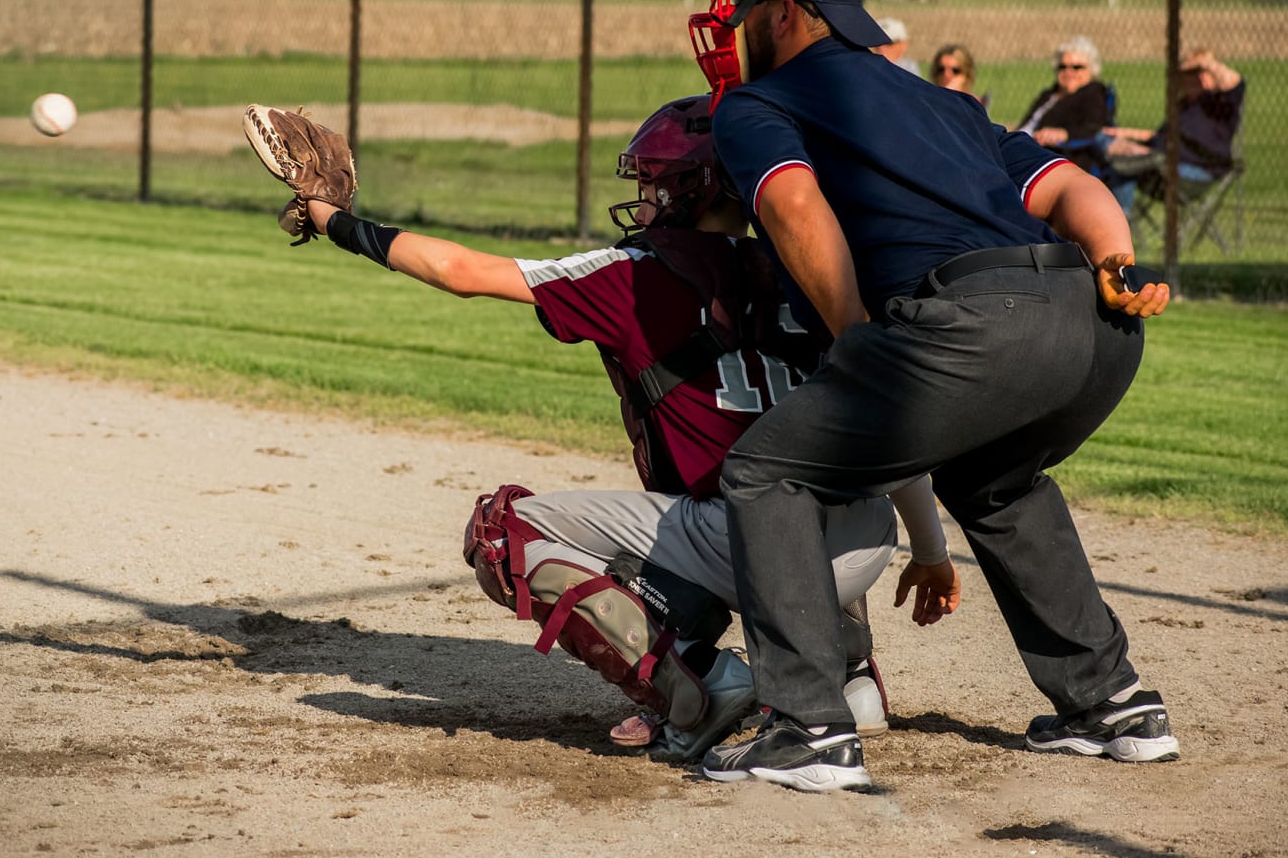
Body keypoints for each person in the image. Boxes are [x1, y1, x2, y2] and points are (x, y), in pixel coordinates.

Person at [244, 96, 957, 763]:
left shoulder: (634, 271)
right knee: (822, 445)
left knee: (504, 531)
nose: (644, 199)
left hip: (756, 547)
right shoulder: (813, 269)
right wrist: (931, 551)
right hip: (864, 547)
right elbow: (883, 419)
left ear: (695, 190)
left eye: (654, 183)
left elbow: (462, 270)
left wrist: (335, 220)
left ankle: (697, 688)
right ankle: (850, 678)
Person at [685, 0, 1173, 793]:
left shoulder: (759, 104)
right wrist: (1118, 262)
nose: (739, 22)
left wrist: (854, 335)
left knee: (765, 471)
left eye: (748, 2)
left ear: (787, 13)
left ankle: (808, 726)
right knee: (994, 477)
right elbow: (1070, 185)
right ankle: (1111, 702)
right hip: (1093, 325)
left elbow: (795, 208)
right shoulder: (941, 100)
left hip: (973, 321)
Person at [1102, 48, 1246, 212]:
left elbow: (1235, 82)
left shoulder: (1220, 103)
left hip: (1194, 172)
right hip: (1163, 165)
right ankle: (1112, 219)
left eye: (1200, 72)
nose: (1195, 77)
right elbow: (1161, 137)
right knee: (1114, 158)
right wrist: (1125, 134)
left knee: (1126, 165)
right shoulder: (1183, 106)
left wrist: (1203, 62)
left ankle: (1119, 220)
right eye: (1189, 73)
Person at [1015, 36, 1110, 174]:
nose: (1068, 72)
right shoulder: (1048, 95)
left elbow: (1093, 127)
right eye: (1062, 67)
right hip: (1022, 147)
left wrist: (1064, 134)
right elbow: (1027, 125)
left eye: (1076, 67)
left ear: (1092, 70)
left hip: (1054, 158)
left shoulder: (1092, 93)